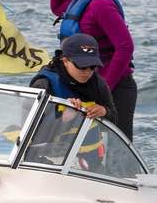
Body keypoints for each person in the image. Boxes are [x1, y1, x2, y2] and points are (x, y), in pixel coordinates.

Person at [51, 0, 136, 139]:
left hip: (115, 86)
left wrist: (104, 89)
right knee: (84, 145)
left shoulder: (102, 3)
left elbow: (125, 47)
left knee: (117, 151)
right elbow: (57, 7)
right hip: (87, 82)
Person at [30, 33, 118, 171]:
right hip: (48, 163)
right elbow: (31, 131)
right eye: (81, 66)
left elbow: (114, 119)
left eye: (92, 66)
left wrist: (104, 111)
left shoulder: (98, 84)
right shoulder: (44, 84)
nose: (87, 72)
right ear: (65, 61)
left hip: (90, 164)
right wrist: (63, 119)